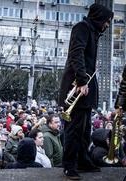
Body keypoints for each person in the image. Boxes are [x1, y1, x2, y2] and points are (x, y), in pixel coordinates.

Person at [58, 3, 113, 180]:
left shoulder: (91, 31)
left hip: (85, 86)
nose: (107, 25)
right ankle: (69, 166)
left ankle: (82, 160)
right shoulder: (82, 28)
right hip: (78, 86)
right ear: (98, 17)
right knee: (74, 129)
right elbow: (76, 53)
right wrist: (82, 80)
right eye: (107, 21)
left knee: (84, 128)